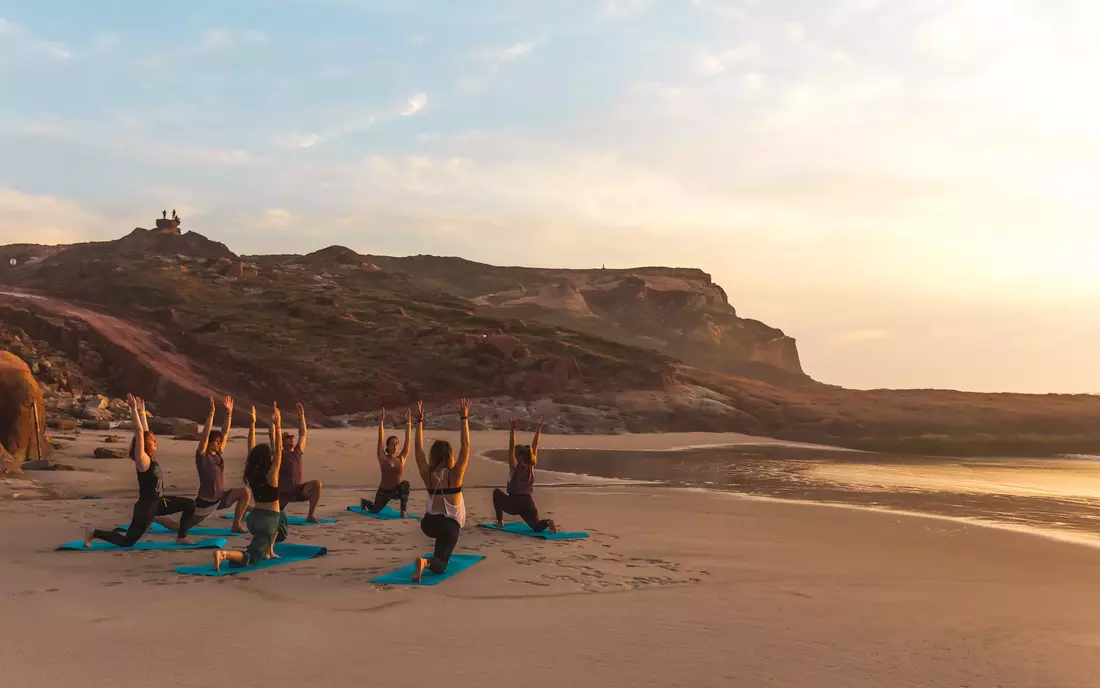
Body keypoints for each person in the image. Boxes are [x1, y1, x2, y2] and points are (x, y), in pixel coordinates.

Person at [83, 395, 198, 547]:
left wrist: (143, 412)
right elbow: (139, 432)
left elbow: (145, 431)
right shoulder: (142, 459)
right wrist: (133, 411)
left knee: (190, 505)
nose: (155, 444)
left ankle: (181, 537)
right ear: (144, 445)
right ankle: (94, 533)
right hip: (146, 507)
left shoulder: (150, 456)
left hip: (159, 502)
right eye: (153, 442)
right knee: (127, 542)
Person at [155, 395, 251, 535]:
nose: (219, 443)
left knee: (245, 492)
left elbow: (225, 431)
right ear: (209, 442)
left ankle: (236, 525)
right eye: (216, 441)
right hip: (204, 503)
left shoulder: (218, 454)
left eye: (220, 441)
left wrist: (229, 413)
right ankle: (155, 517)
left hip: (221, 498)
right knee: (180, 527)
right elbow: (205, 435)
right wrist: (211, 414)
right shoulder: (202, 456)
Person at [213, 403, 289, 570]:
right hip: (267, 521)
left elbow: (251, 447)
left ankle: (269, 550)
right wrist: (278, 425)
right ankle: (224, 555)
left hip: (254, 519)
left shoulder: (253, 474)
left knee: (282, 517)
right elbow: (279, 451)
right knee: (252, 556)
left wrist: (252, 424)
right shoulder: (272, 475)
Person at [410, 398, 471, 582]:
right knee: (441, 566)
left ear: (434, 456)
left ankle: (433, 557)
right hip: (448, 527)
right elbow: (466, 447)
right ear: (450, 455)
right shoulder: (455, 476)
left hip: (428, 524)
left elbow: (418, 449)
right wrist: (464, 418)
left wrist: (419, 422)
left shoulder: (428, 475)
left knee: (442, 541)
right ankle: (426, 563)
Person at [493, 417, 557, 534]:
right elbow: (535, 445)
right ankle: (548, 522)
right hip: (528, 503)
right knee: (536, 527)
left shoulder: (515, 467)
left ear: (519, 455)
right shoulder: (532, 465)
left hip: (513, 503)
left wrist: (512, 430)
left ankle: (500, 521)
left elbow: (511, 448)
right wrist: (539, 429)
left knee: (496, 493)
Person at [361, 407, 412, 518]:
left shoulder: (401, 459)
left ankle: (403, 511)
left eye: (397, 444)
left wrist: (409, 422)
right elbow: (380, 440)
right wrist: (381, 422)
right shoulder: (383, 458)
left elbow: (408, 442)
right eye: (392, 444)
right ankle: (364, 502)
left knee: (405, 485)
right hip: (383, 491)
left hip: (395, 491)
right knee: (374, 510)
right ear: (387, 446)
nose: (395, 446)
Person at [277, 402, 323, 523]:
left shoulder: (297, 452)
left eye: (292, 436)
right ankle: (248, 509)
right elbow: (275, 439)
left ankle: (310, 515)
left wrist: (301, 416)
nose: (292, 438)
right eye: (287, 437)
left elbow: (303, 433)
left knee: (317, 484)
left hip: (297, 490)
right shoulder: (279, 453)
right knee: (268, 513)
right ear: (281, 441)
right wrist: (277, 423)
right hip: (283, 493)